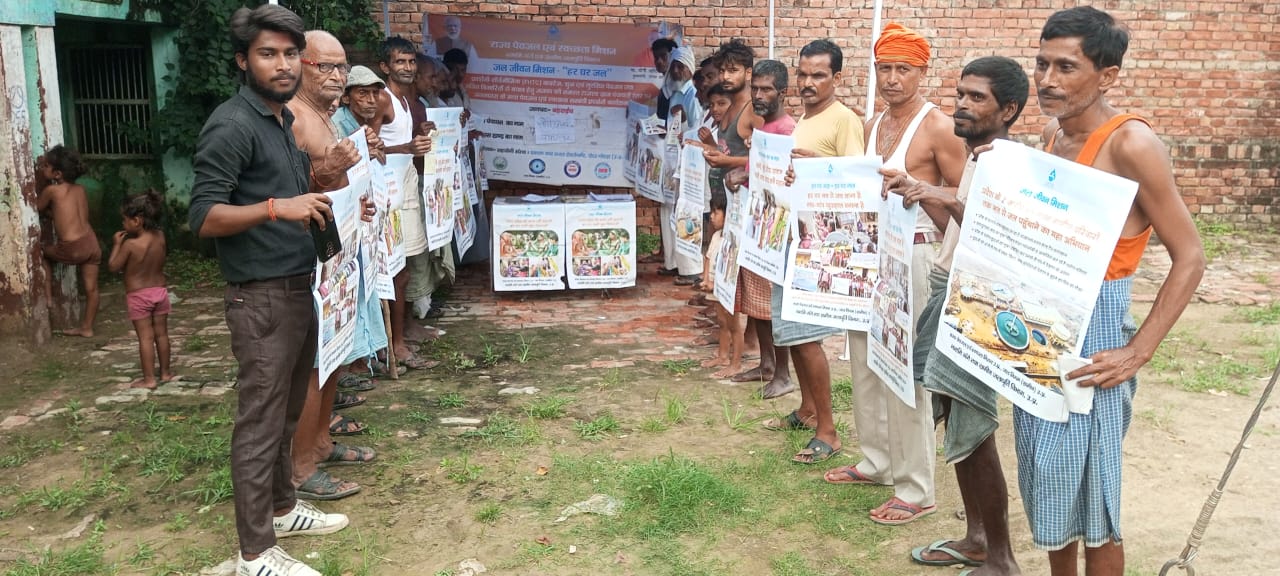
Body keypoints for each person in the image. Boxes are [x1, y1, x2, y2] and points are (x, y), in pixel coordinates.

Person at [1019, 8, 1206, 574]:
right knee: (1049, 479)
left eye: (1066, 67)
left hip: (1096, 335)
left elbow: (1190, 257)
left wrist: (1137, 351)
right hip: (1040, 330)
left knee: (1095, 495)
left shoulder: (1131, 144)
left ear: (1108, 76)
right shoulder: (1052, 136)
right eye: (1042, 64)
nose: (1047, 80)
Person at [187, 6, 349, 575]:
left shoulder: (279, 119)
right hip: (258, 296)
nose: (283, 65)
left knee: (285, 413)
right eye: (267, 54)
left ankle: (282, 507)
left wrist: (326, 195)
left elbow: (296, 194)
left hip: (298, 283)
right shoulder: (232, 124)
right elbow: (204, 216)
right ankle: (254, 554)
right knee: (259, 424)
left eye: (290, 54)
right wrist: (278, 208)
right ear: (242, 61)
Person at [878, 56, 1029, 573]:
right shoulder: (978, 157)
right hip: (948, 286)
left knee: (975, 430)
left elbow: (998, 231)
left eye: (977, 97)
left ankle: (1001, 557)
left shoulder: (1007, 162)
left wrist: (934, 191)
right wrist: (925, 195)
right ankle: (977, 538)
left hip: (976, 301)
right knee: (957, 423)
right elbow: (956, 225)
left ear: (1008, 109)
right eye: (961, 94)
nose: (962, 104)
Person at [822, 23, 968, 526]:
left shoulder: (939, 127)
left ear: (922, 72)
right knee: (865, 360)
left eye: (903, 68)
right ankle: (878, 461)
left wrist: (920, 193)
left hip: (917, 256)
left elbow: (965, 206)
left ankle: (916, 488)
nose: (892, 78)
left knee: (905, 370)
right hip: (872, 257)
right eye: (884, 68)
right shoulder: (872, 124)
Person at [286, 29, 382, 503]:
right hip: (309, 258)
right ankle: (300, 466)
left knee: (335, 355)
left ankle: (321, 442)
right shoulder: (294, 119)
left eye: (341, 66)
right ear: (299, 66)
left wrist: (356, 202)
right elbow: (288, 191)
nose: (337, 76)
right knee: (313, 366)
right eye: (325, 66)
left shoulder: (326, 117)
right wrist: (327, 172)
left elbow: (336, 184)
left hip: (338, 254)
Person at [765, 39, 863, 465]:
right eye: (803, 74)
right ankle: (807, 409)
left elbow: (858, 184)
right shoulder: (803, 119)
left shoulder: (844, 120)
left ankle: (828, 430)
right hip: (789, 237)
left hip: (817, 246)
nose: (808, 82)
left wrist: (815, 167)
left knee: (806, 339)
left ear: (836, 78)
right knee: (789, 333)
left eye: (818, 75)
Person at [726, 58, 795, 396]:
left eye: (766, 90)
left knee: (771, 305)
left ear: (783, 92)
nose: (758, 95)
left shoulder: (787, 131)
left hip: (776, 231)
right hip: (757, 225)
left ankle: (783, 373)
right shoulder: (764, 129)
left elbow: (785, 183)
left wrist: (747, 175)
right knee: (757, 304)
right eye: (755, 89)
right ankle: (767, 363)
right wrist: (742, 176)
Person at [372, 36, 436, 370]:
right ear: (385, 66)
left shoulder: (405, 100)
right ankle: (392, 345)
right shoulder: (383, 98)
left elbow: (396, 139)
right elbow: (369, 147)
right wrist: (407, 149)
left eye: (411, 62)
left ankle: (399, 338)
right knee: (395, 272)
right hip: (387, 194)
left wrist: (419, 132)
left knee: (405, 270)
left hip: (404, 188)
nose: (408, 67)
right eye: (400, 62)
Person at [108, 189, 173, 390]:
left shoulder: (130, 245)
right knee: (162, 335)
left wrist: (116, 245)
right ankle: (165, 373)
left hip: (139, 296)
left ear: (137, 221)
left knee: (145, 337)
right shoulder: (160, 236)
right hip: (160, 292)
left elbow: (113, 267)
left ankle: (149, 379)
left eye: (125, 220)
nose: (123, 224)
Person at [37, 145, 100, 337]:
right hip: (91, 243)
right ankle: (87, 328)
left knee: (43, 253)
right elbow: (69, 215)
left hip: (73, 248)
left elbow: (38, 207)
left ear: (57, 174)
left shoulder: (52, 191)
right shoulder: (80, 189)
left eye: (46, 166)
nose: (42, 168)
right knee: (92, 289)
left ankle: (48, 298)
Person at [661, 46, 704, 287]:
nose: (676, 71)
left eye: (680, 67)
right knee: (670, 209)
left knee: (686, 210)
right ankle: (674, 263)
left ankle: (691, 269)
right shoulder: (674, 93)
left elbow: (698, 129)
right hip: (672, 158)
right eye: (674, 67)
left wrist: (685, 128)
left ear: (689, 68)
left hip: (689, 160)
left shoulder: (692, 95)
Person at [651, 37, 678, 119]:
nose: (659, 61)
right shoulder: (665, 86)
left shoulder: (679, 86)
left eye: (663, 56)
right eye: (656, 57)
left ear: (674, 56)